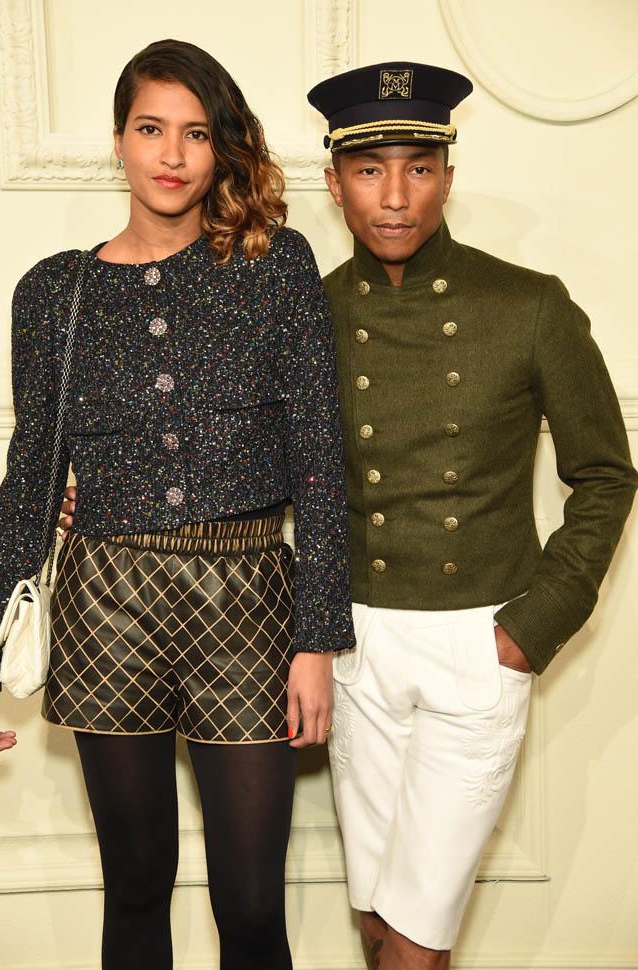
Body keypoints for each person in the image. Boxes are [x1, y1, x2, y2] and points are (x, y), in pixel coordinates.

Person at [0, 39, 355, 970]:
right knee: (135, 885)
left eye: (195, 133)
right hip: (107, 602)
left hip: (249, 599)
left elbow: (319, 463)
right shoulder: (54, 292)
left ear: (221, 148)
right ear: (118, 140)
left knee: (251, 906)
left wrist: (316, 639)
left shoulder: (275, 265)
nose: (172, 155)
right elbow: (30, 480)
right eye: (150, 129)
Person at [304, 62, 638, 969]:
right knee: (379, 922)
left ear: (448, 177)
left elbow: (605, 475)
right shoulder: (307, 313)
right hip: (352, 645)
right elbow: (256, 463)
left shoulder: (528, 305)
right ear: (333, 182)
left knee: (417, 938)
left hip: (477, 644)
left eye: (418, 168)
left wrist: (529, 629)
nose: (395, 196)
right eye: (369, 170)